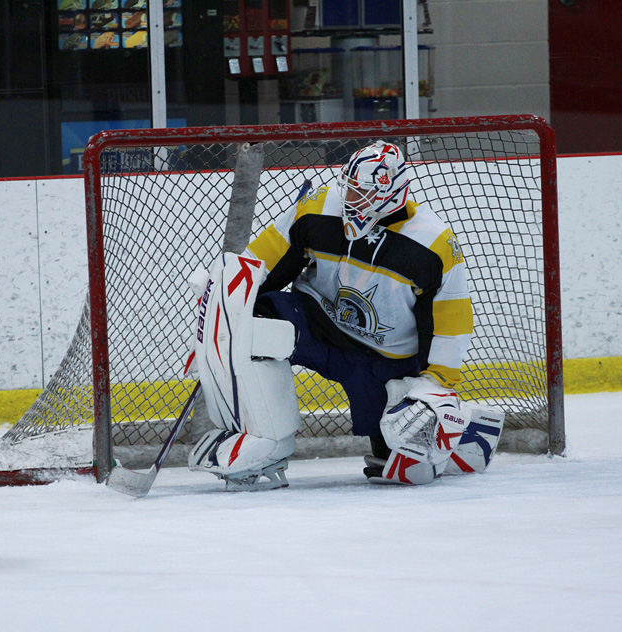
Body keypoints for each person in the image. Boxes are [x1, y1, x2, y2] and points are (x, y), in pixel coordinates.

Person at [185, 141, 503, 489]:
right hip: (316, 322)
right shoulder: (319, 207)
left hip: (383, 359)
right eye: (349, 188)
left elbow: (450, 322)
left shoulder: (433, 243)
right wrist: (224, 299)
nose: (351, 200)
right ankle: (264, 443)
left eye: (363, 194)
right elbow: (265, 259)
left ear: (393, 194)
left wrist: (435, 384)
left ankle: (466, 430)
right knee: (252, 328)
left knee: (407, 464)